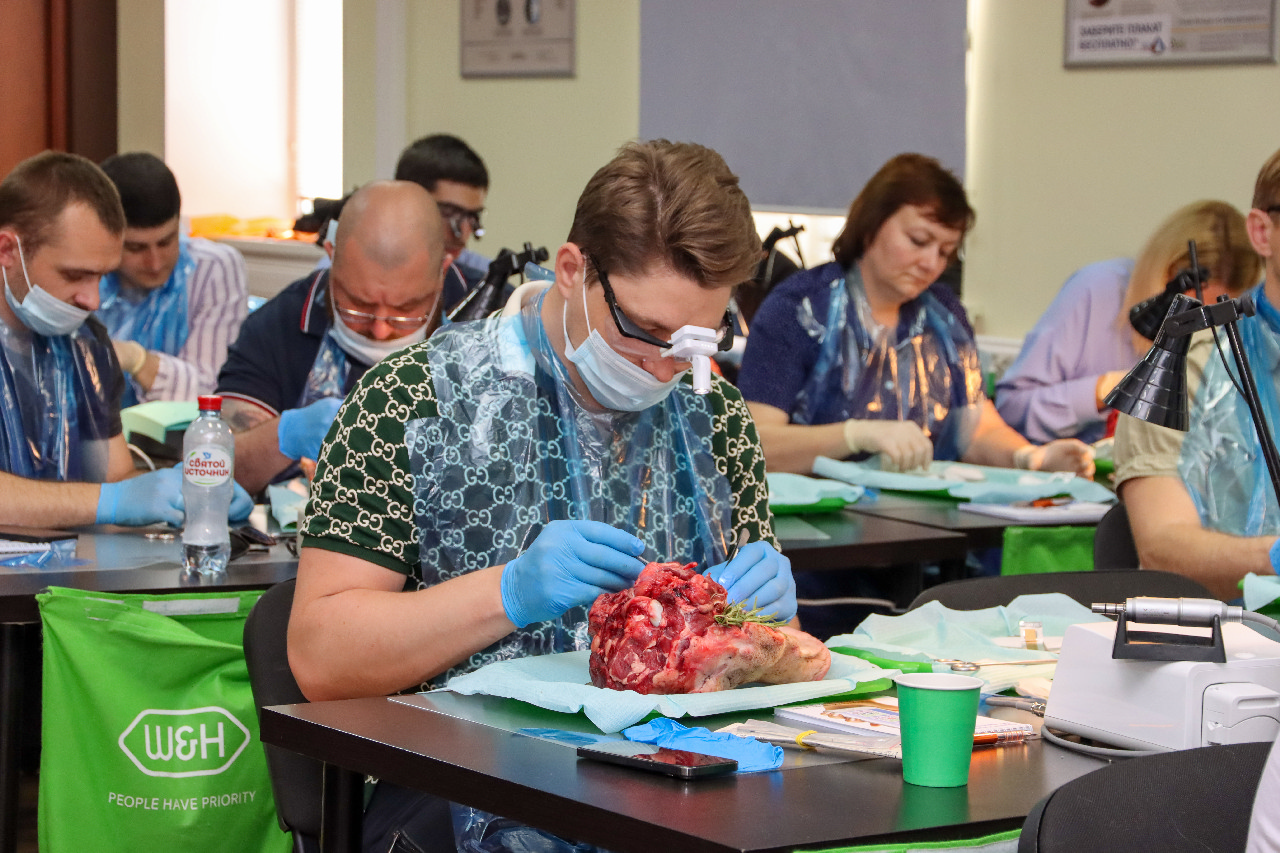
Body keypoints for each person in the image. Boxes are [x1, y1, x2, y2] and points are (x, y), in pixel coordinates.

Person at [288, 140, 796, 852]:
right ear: (571, 270)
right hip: (462, 787)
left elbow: (764, 659)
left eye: (690, 343)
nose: (661, 367)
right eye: (644, 332)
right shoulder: (416, 400)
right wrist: (509, 593)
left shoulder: (714, 420)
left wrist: (769, 622)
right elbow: (321, 655)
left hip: (679, 791)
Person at [737, 153, 1094, 478]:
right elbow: (758, 446)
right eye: (919, 240)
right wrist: (856, 435)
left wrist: (1032, 459)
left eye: (946, 251)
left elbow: (978, 429)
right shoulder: (799, 309)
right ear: (872, 223)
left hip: (927, 531)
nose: (931, 264)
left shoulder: (945, 316)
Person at [0, 151, 248, 527]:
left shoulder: (84, 342)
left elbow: (114, 477)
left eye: (102, 276)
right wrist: (110, 501)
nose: (93, 300)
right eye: (75, 275)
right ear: (7, 250)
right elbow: (110, 495)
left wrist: (190, 495)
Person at [1116, 148, 1280, 602]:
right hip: (1226, 646)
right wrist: (1275, 558)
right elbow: (1165, 549)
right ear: (1263, 232)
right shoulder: (1183, 368)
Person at [216, 180, 451, 495]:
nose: (380, 329)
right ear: (331, 256)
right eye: (359, 306)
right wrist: (287, 435)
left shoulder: (482, 321)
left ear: (442, 273)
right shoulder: (278, 326)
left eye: (406, 310)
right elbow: (214, 467)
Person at [997, 200, 1261, 443]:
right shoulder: (1097, 290)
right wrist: (1106, 389)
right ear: (1163, 275)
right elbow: (1011, 410)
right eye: (1191, 310)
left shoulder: (1244, 323)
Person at [96, 152, 249, 405]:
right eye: (136, 248)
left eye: (167, 241)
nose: (155, 263)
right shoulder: (87, 274)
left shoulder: (213, 268)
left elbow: (211, 393)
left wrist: (137, 360)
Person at [394, 133, 491, 308]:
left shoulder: (487, 280)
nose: (462, 232)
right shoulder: (345, 272)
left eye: (472, 217)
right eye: (448, 213)